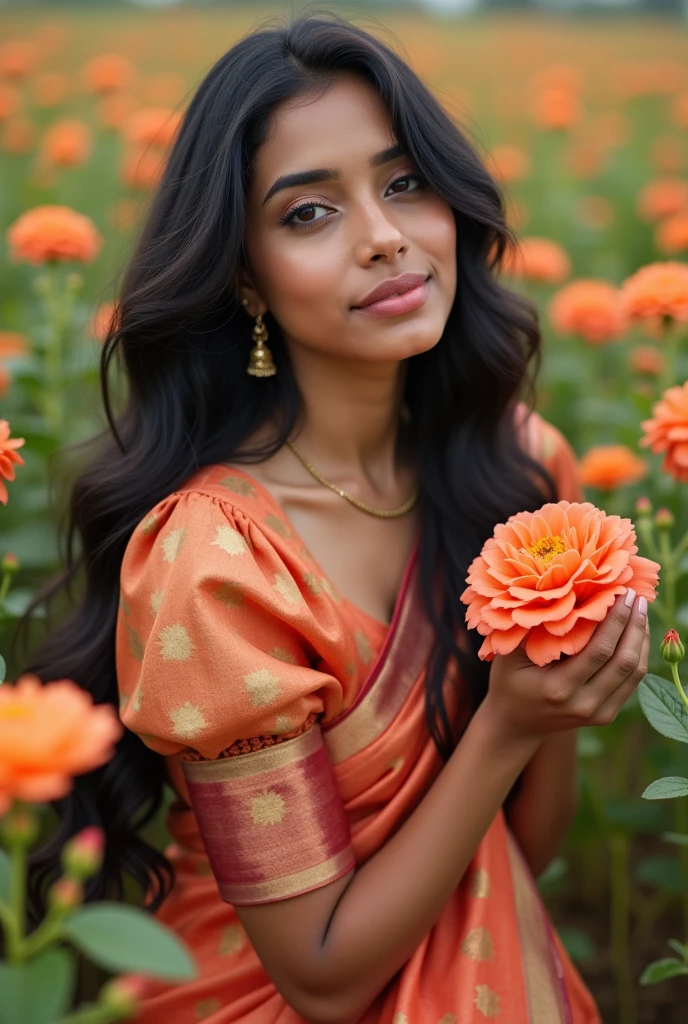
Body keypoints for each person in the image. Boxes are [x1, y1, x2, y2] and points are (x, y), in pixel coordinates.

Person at [24, 14, 650, 1024]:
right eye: (309, 213)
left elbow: (512, 864)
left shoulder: (521, 465)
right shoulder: (214, 557)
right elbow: (320, 975)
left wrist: (559, 708)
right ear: (242, 275)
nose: (385, 235)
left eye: (404, 183)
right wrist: (511, 722)